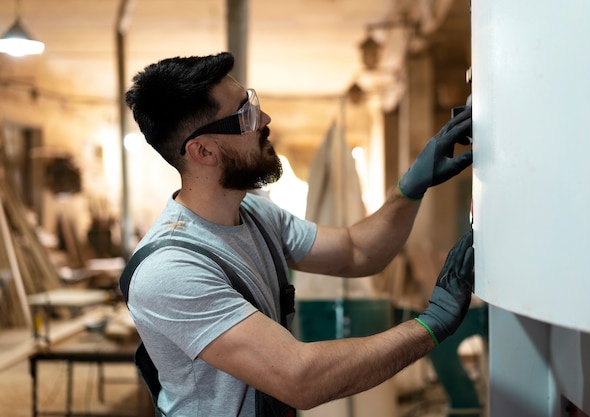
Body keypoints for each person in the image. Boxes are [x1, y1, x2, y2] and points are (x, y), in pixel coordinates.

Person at [123, 51, 474, 417]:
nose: (264, 120)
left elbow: (356, 251)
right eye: (244, 116)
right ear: (203, 151)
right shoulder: (170, 269)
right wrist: (429, 326)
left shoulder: (255, 214)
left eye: (253, 104)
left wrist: (408, 190)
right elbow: (299, 377)